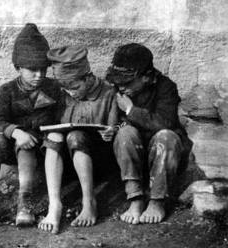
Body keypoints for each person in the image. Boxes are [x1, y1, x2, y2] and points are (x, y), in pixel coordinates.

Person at [0, 23, 61, 228]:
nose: (39, 75)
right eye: (32, 70)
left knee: (27, 146)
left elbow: (60, 118)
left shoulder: (54, 88)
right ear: (18, 67)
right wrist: (16, 131)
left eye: (43, 69)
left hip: (40, 150)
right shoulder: (7, 90)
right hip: (11, 147)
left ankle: (24, 203)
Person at [106, 43, 193, 224]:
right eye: (118, 82)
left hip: (163, 153)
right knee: (124, 133)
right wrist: (110, 129)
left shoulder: (165, 87)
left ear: (146, 77)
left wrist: (131, 110)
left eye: (127, 82)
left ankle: (157, 201)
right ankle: (135, 199)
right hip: (133, 155)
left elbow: (165, 123)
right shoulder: (118, 89)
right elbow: (114, 122)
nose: (121, 87)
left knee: (166, 136)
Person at [38, 45, 120, 234]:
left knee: (76, 136)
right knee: (54, 136)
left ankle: (88, 201)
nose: (72, 93)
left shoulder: (108, 93)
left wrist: (112, 131)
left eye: (75, 87)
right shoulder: (64, 95)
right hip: (67, 162)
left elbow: (117, 126)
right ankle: (54, 205)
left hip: (98, 161)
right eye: (66, 89)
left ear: (88, 77)